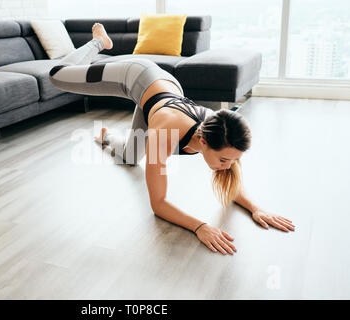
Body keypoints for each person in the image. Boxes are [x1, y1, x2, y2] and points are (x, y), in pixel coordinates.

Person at [49, 23, 295, 255]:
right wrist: (200, 226)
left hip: (160, 98)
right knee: (57, 75)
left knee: (130, 157)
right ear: (204, 142)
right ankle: (99, 42)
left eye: (232, 160)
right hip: (134, 77)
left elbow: (231, 181)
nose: (228, 165)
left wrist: (256, 208)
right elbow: (159, 203)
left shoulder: (222, 134)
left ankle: (107, 136)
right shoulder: (164, 135)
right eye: (224, 159)